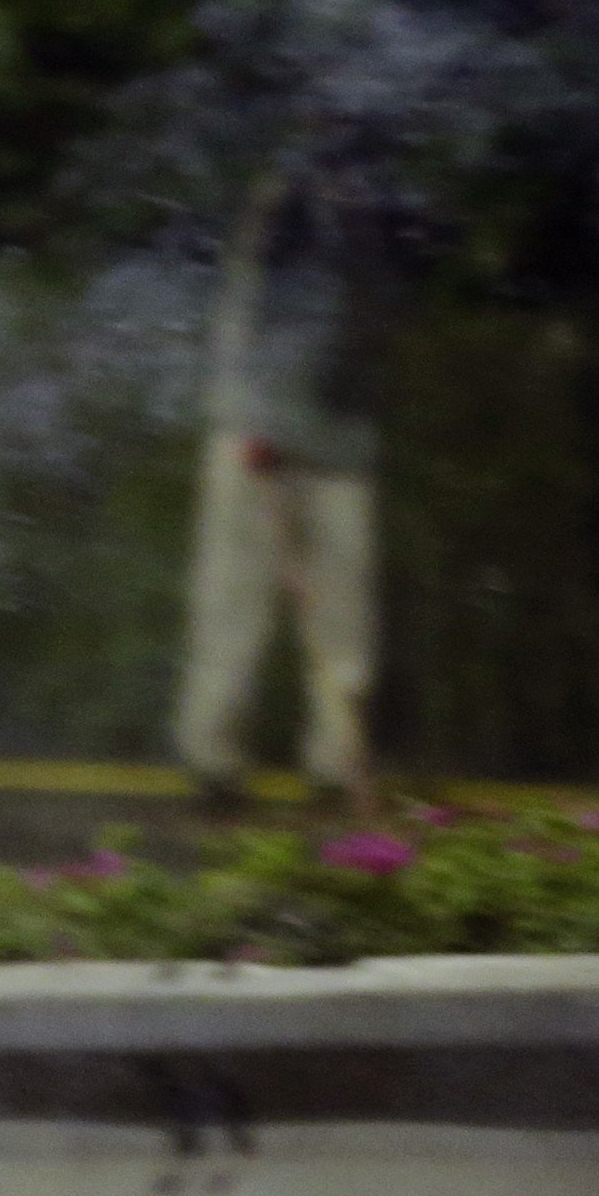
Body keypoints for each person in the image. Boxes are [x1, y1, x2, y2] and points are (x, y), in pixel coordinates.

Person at [177, 164, 393, 811]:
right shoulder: (284, 199)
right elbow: (242, 313)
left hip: (342, 445)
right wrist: (249, 416)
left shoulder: (377, 211)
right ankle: (211, 759)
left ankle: (335, 761)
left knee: (343, 617)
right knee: (233, 603)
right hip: (258, 441)